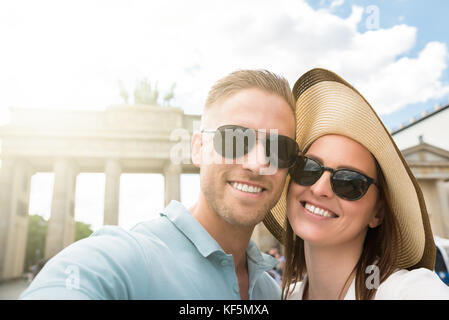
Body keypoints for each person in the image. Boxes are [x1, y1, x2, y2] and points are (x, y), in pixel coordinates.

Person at [20, 69, 299, 300]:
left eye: (278, 149)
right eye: (235, 138)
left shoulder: (268, 291)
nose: (256, 163)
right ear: (198, 148)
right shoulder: (128, 258)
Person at [263, 68, 449, 300]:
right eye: (308, 168)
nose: (320, 189)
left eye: (349, 182)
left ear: (378, 213)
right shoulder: (282, 297)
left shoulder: (408, 291)